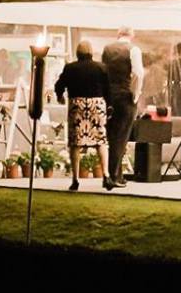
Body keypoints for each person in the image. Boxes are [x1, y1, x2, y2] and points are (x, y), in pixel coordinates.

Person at [53, 39, 109, 191]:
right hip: (96, 105)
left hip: (76, 106)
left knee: (75, 143)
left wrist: (60, 96)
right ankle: (106, 174)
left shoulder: (70, 68)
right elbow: (108, 89)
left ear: (78, 53)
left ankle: (75, 179)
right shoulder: (101, 68)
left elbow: (59, 85)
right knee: (100, 141)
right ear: (91, 53)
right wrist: (108, 105)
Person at [101, 28, 143, 189]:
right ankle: (114, 176)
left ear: (118, 35)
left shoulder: (107, 49)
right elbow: (138, 74)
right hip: (125, 97)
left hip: (109, 98)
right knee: (121, 138)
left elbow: (103, 72)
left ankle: (114, 173)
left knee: (110, 137)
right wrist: (135, 95)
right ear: (131, 35)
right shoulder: (134, 50)